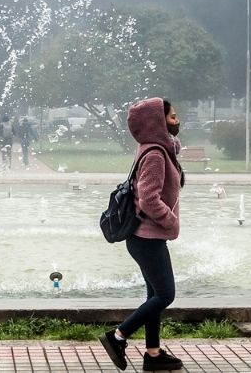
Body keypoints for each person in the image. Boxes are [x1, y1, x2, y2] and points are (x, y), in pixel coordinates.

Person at [99, 97, 186, 372]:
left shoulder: (156, 148)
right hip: (146, 238)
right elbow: (149, 199)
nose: (177, 120)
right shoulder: (155, 155)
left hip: (146, 237)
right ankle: (118, 337)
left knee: (154, 296)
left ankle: (153, 353)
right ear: (159, 122)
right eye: (172, 117)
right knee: (165, 295)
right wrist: (170, 221)